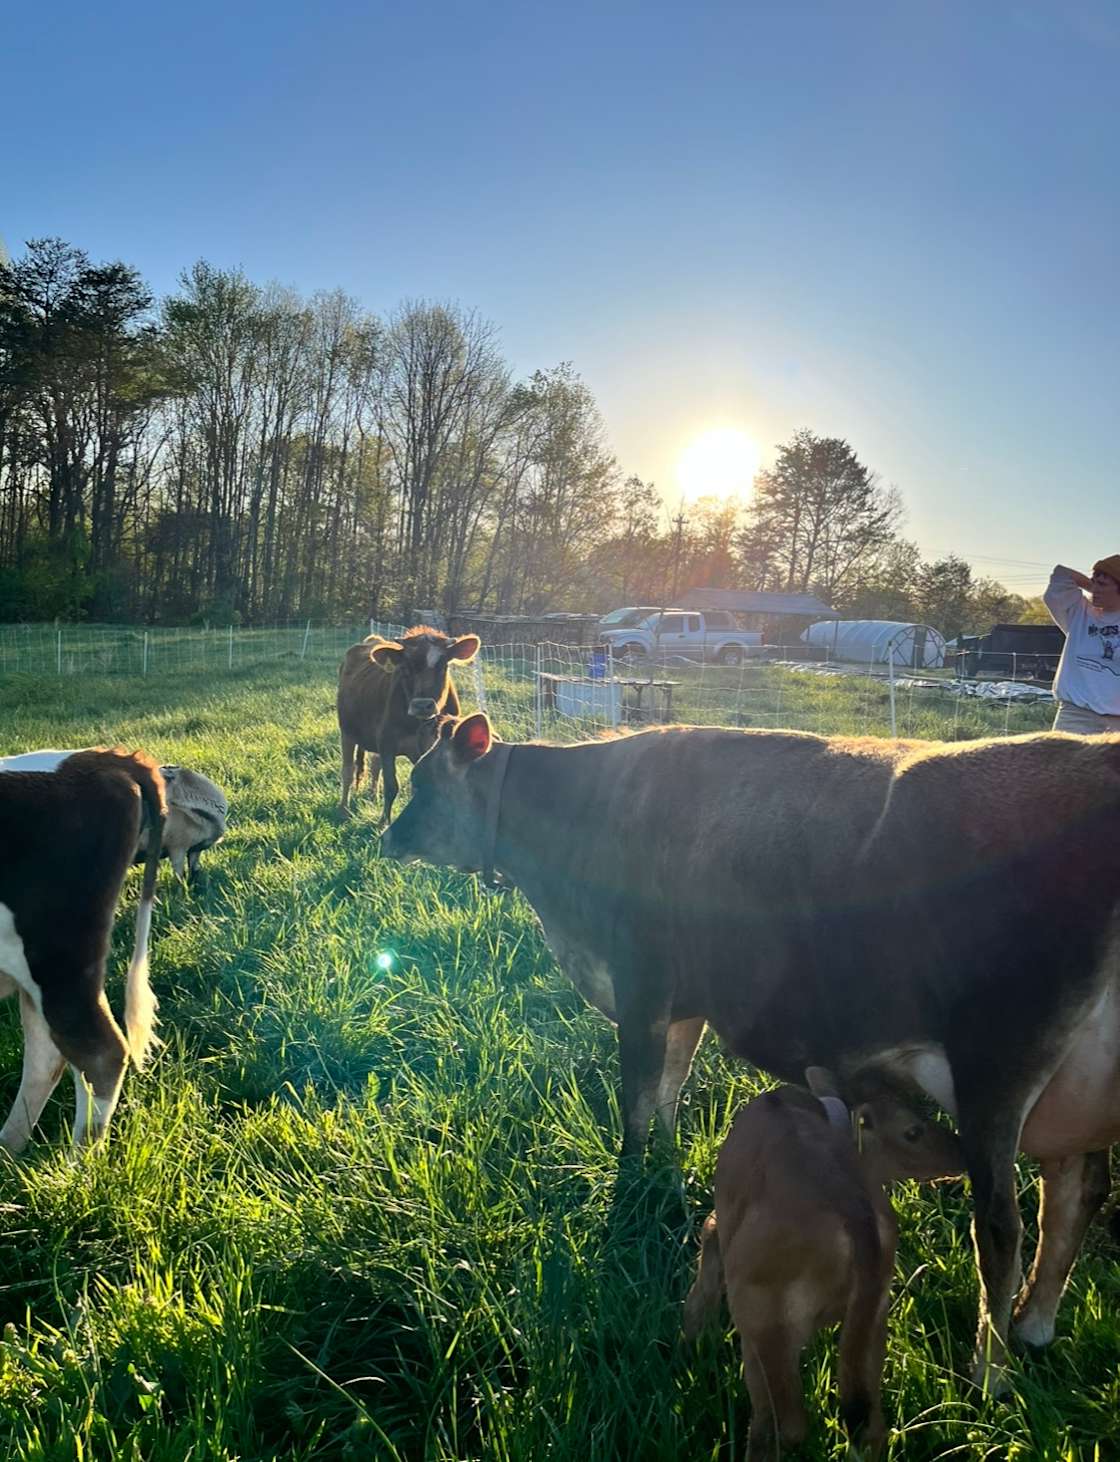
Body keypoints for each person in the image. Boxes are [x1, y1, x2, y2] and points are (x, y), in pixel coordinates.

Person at [1044, 555, 1120, 732]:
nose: (1094, 590)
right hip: (1075, 716)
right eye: (1094, 582)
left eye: (1102, 585)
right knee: (1060, 760)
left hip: (1117, 721)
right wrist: (1094, 583)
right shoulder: (1079, 613)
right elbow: (1060, 574)